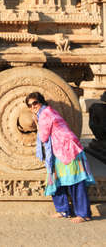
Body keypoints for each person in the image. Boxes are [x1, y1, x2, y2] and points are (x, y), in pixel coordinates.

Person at [26, 91, 95, 223]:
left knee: (75, 181)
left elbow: (44, 137)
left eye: (35, 103)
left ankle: (83, 214)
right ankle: (63, 210)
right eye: (30, 105)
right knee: (56, 180)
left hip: (68, 150)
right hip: (59, 151)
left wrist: (36, 122)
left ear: (41, 102)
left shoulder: (45, 115)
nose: (33, 106)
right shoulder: (48, 111)